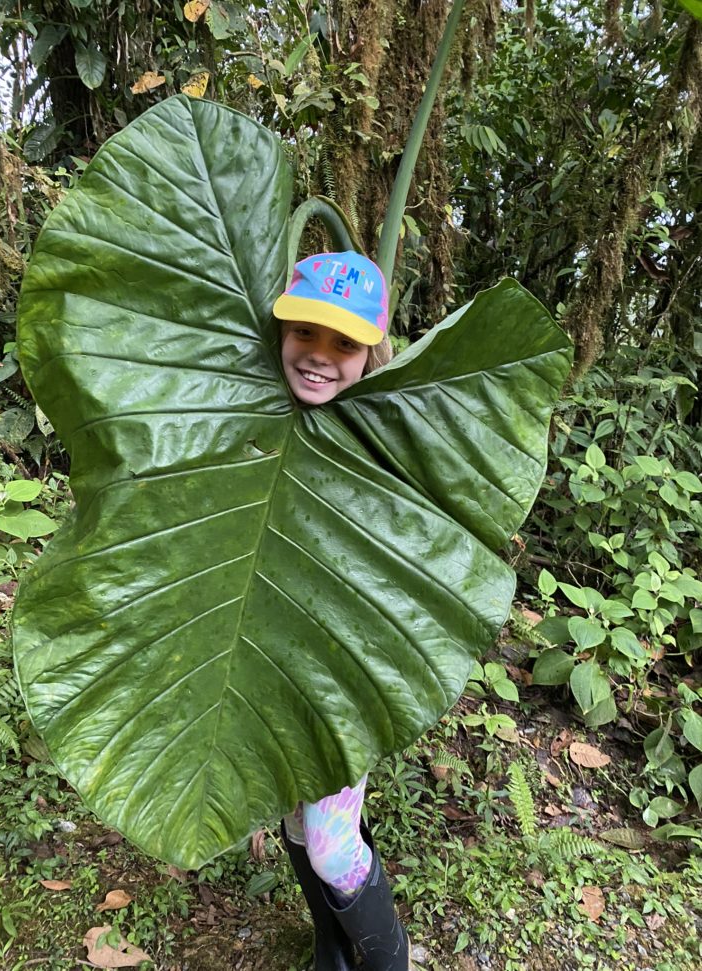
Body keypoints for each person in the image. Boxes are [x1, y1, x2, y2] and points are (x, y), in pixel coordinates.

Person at [272, 251, 412, 971]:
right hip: (272, 653)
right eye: (305, 334)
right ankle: (332, 945)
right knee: (298, 823)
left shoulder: (378, 435)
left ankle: (388, 959)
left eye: (344, 343)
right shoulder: (261, 418)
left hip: (341, 674)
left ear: (371, 353)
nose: (320, 356)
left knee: (330, 841)